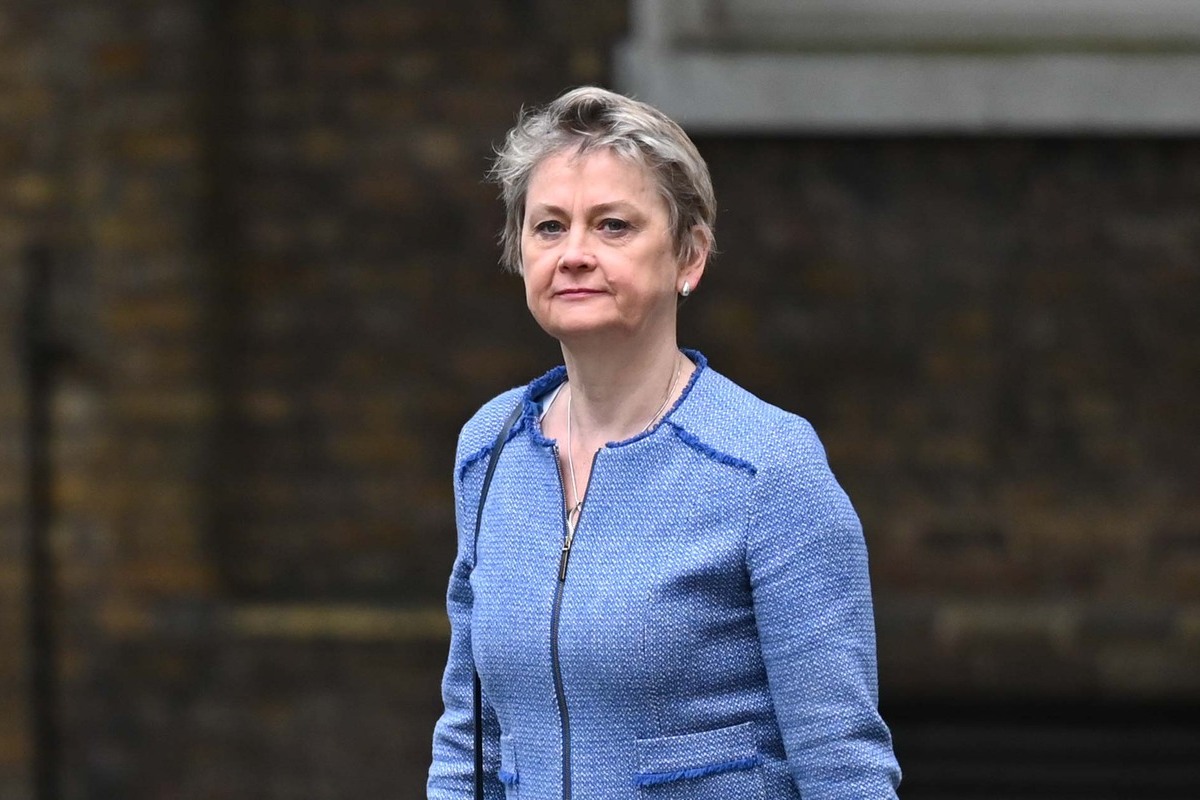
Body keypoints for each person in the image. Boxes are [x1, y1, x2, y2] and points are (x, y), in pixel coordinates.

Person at [428, 85, 901, 800]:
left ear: (690, 256)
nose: (574, 253)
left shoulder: (767, 466)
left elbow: (844, 770)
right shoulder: (489, 451)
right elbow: (469, 745)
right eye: (549, 226)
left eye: (613, 226)